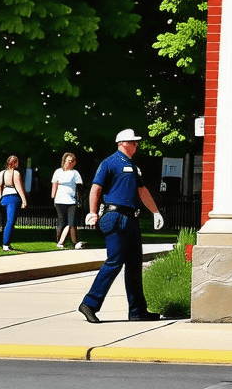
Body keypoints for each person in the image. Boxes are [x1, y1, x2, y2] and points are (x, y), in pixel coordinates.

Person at [78, 129, 165, 323]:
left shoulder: (132, 166)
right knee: (115, 260)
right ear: (122, 143)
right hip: (115, 216)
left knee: (134, 264)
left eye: (136, 143)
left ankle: (137, 310)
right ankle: (90, 303)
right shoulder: (110, 163)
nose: (136, 145)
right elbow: (95, 189)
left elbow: (142, 191)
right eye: (133, 142)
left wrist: (155, 212)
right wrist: (92, 212)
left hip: (131, 218)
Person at [0, 155, 28, 252]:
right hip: (13, 198)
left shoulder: (2, 173)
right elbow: (18, 187)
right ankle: (6, 244)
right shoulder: (15, 173)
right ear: (16, 163)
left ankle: (6, 243)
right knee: (10, 222)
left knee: (6, 222)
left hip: (4, 198)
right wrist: (24, 200)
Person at [51, 152, 84, 249]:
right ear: (64, 161)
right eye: (69, 161)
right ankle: (60, 241)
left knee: (71, 222)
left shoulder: (75, 173)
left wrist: (79, 199)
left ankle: (73, 242)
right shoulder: (58, 172)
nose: (70, 163)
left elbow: (79, 187)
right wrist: (53, 196)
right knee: (61, 222)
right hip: (60, 200)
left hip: (71, 201)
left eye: (72, 161)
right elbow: (54, 184)